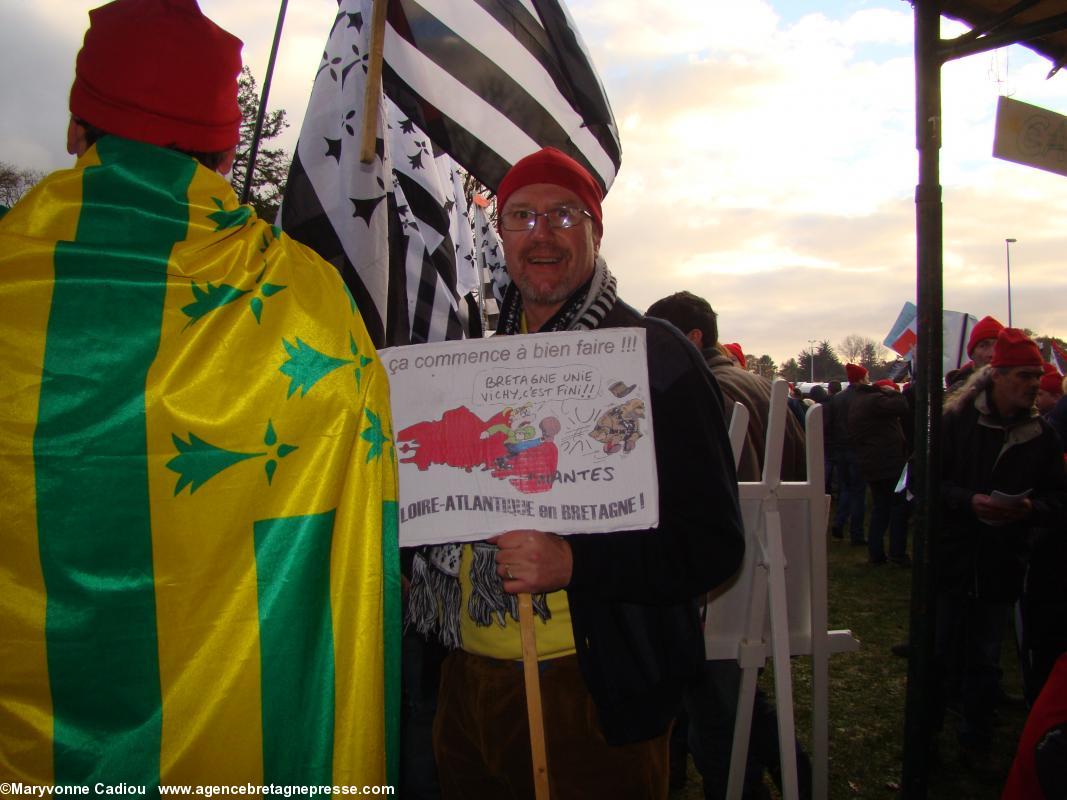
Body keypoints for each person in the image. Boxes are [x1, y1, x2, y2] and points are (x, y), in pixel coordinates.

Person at [0, 0, 398, 785]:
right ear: (221, 149)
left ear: (79, 129)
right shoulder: (310, 305)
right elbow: (348, 551)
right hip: (245, 748)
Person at [406, 148, 746, 800]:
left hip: (589, 689)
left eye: (564, 214)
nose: (541, 233)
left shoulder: (653, 356)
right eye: (521, 216)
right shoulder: (467, 365)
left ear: (595, 229)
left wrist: (575, 563)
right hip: (466, 679)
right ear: (499, 233)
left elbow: (710, 542)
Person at [646, 291, 810, 799]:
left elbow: (705, 494)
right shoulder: (758, 383)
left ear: (691, 340)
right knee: (732, 696)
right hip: (774, 564)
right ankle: (795, 776)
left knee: (713, 710)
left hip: (726, 576)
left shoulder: (706, 390)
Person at [935, 328, 1067, 763]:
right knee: (940, 651)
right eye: (1024, 376)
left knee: (987, 657)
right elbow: (925, 481)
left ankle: (976, 737)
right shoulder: (954, 423)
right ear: (997, 376)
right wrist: (966, 500)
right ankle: (927, 736)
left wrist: (1028, 508)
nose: (1033, 384)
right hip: (953, 555)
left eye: (1038, 376)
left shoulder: (1043, 436)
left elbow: (1059, 498)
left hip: (1002, 559)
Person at [848, 376, 911, 566]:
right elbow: (902, 406)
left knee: (880, 508)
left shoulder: (858, 401)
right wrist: (893, 393)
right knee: (899, 508)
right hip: (887, 463)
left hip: (871, 462)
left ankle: (876, 553)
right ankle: (897, 554)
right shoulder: (875, 401)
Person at [825, 363, 869, 545]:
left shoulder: (837, 399)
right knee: (858, 492)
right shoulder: (865, 398)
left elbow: (831, 424)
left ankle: (839, 520)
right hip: (857, 449)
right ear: (860, 378)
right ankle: (856, 533)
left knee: (845, 488)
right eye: (866, 376)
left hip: (840, 450)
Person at [946, 315, 1003, 392]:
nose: (992, 354)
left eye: (998, 346)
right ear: (972, 354)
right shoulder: (956, 396)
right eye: (983, 346)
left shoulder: (1018, 390)